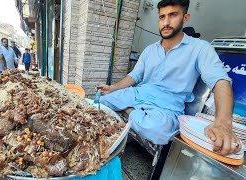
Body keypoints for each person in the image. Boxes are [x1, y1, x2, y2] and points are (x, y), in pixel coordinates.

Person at [96, 0, 241, 156]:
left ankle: (128, 111)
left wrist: (224, 123)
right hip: (138, 94)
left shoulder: (200, 48)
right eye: (162, 17)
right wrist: (113, 88)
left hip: (167, 106)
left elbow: (220, 80)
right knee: (100, 101)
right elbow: (135, 75)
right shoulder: (150, 50)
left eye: (173, 15)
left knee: (157, 130)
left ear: (185, 17)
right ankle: (135, 114)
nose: (166, 22)